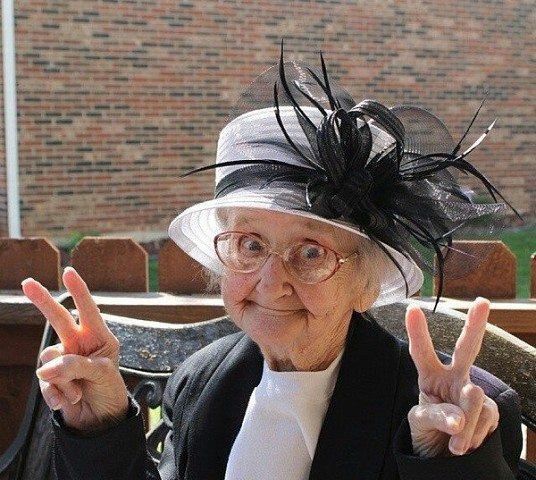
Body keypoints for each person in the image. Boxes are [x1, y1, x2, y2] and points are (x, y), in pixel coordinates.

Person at [21, 45, 523, 479]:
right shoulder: (202, 381)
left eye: (310, 253)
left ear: (366, 283)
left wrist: (444, 463)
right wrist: (102, 427)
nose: (271, 280)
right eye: (250, 245)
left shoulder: (455, 411)